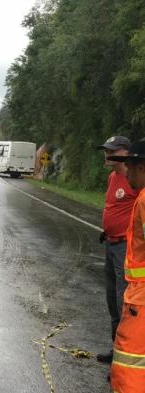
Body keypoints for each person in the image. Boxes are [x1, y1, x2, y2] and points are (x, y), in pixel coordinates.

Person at [95, 136, 137, 363]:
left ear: (124, 153)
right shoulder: (113, 177)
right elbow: (112, 207)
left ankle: (126, 355)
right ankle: (116, 349)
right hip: (110, 244)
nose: (106, 154)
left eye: (111, 150)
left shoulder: (135, 179)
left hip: (125, 248)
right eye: (105, 150)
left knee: (124, 300)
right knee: (112, 299)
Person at [108, 140, 145, 392]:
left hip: (141, 302)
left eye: (130, 167)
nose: (126, 173)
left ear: (142, 167)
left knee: (129, 367)